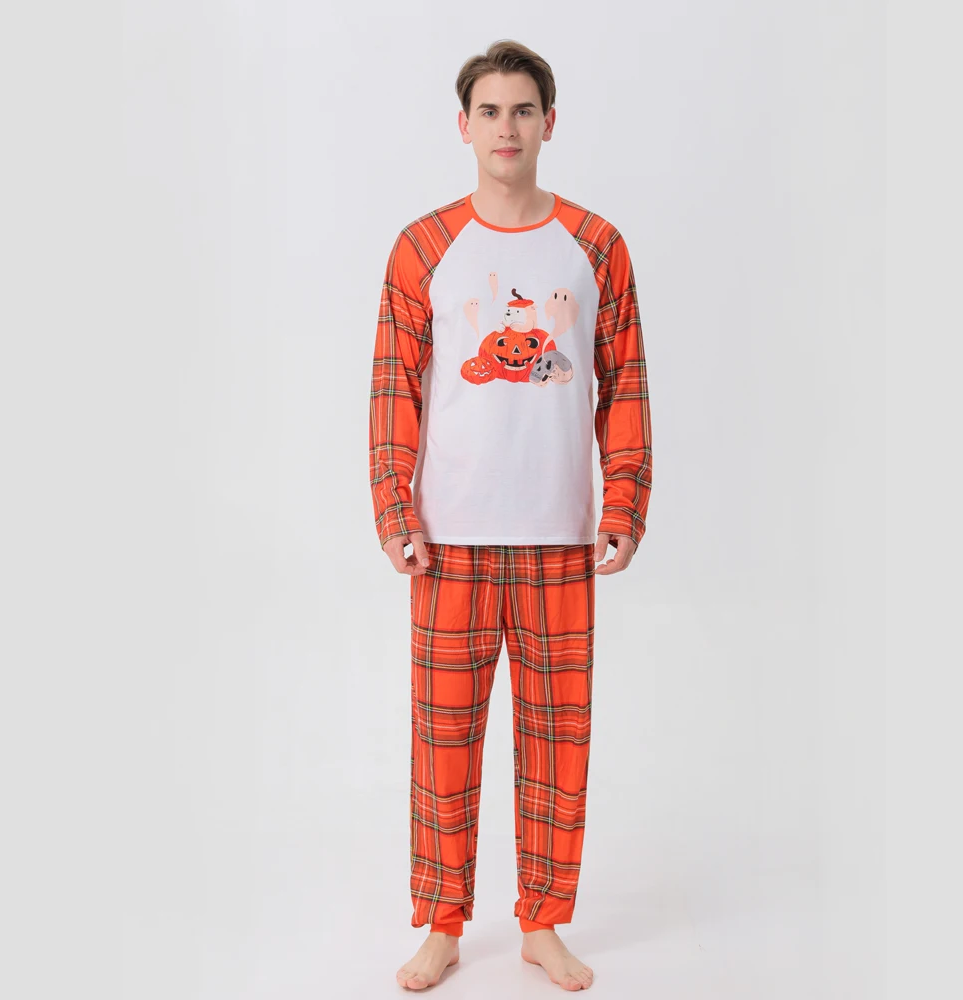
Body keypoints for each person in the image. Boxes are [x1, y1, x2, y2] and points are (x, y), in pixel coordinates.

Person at [368, 39, 652, 992]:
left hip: (560, 540)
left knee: (557, 742)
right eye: (489, 111)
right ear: (464, 126)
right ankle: (443, 923)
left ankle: (542, 923)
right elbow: (394, 389)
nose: (506, 127)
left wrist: (625, 500)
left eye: (522, 110)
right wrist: (393, 509)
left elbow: (624, 382)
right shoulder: (423, 247)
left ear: (548, 123)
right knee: (442, 742)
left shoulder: (596, 244)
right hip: (446, 542)